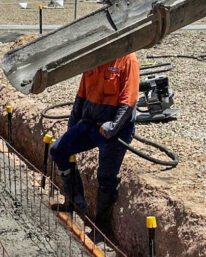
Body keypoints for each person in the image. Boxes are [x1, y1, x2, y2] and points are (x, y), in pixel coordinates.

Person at [49, 53, 140, 239]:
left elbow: (129, 100)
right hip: (91, 123)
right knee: (59, 149)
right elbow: (81, 96)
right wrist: (72, 125)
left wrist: (113, 127)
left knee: (105, 177)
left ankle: (101, 229)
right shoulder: (94, 57)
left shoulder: (127, 59)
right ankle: (75, 201)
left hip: (116, 129)